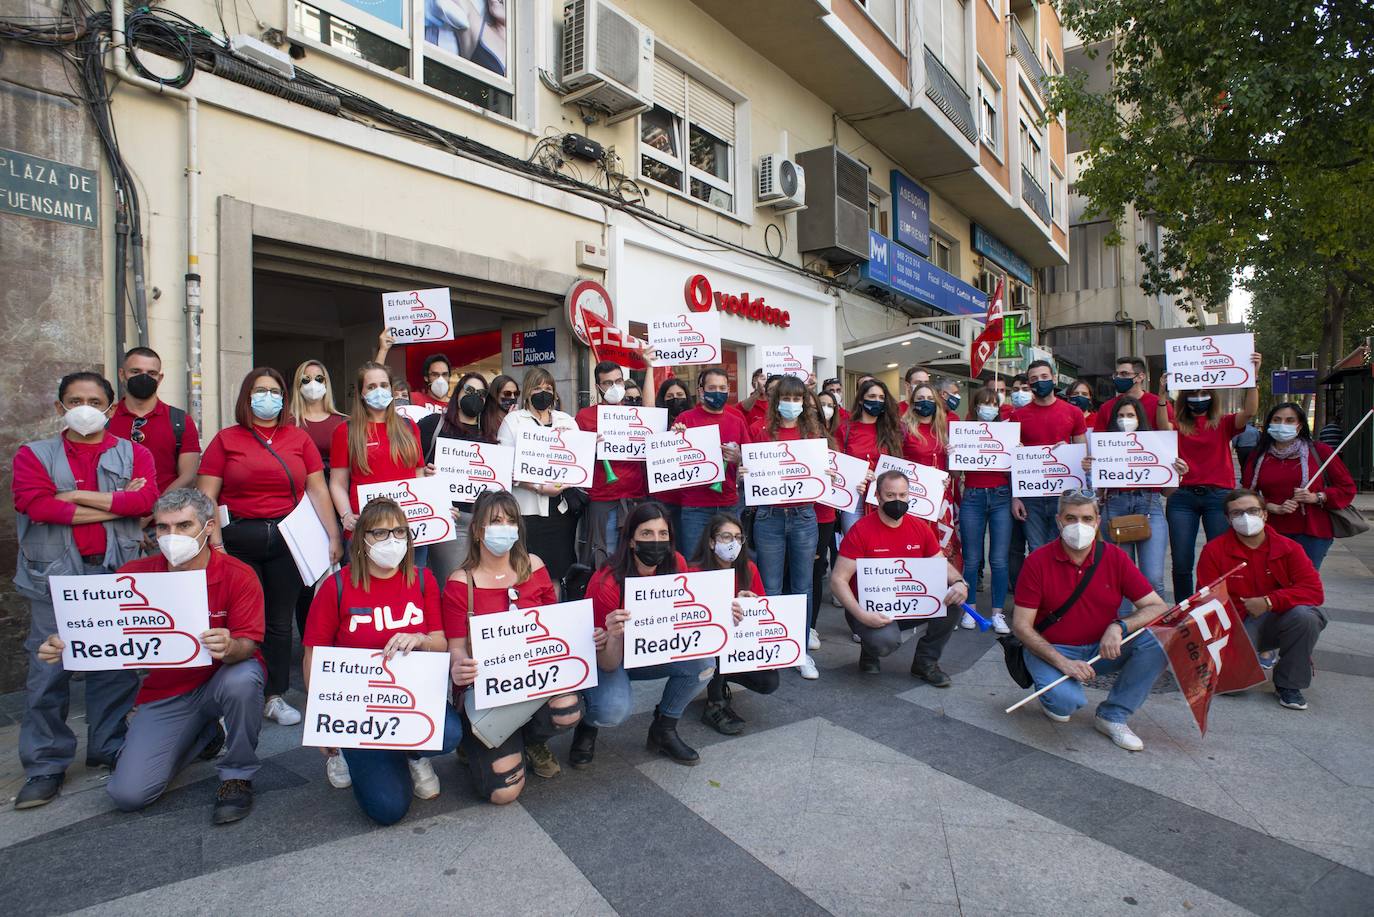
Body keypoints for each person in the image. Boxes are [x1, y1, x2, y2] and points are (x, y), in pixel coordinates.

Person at [36, 489, 265, 822]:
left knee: (244, 679)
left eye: (184, 526)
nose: (172, 537)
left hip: (222, 679)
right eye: (162, 528)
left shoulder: (238, 574)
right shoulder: (134, 575)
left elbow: (249, 645)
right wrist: (66, 644)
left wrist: (231, 647)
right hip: (167, 692)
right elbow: (103, 631)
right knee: (128, 794)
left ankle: (237, 776)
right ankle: (203, 736)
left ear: (208, 526)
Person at [11, 372, 159, 809]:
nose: (85, 406)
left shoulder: (134, 454)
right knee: (47, 672)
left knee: (114, 665)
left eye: (95, 400)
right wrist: (114, 506)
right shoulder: (33, 455)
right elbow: (37, 506)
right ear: (60, 407)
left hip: (115, 574)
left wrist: (72, 496)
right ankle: (45, 764)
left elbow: (144, 503)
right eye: (75, 399)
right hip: (54, 579)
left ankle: (109, 745)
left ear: (110, 409)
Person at [199, 367, 343, 727]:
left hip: (287, 541)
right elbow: (206, 497)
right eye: (260, 391)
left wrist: (333, 536)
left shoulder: (298, 439)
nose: (269, 397)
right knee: (240, 622)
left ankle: (273, 694)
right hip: (238, 542)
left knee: (280, 623)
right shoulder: (226, 440)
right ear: (247, 398)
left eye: (275, 390)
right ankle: (231, 695)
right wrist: (215, 545)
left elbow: (318, 489)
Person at [304, 498, 460, 825]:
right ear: (362, 539)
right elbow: (313, 655)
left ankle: (413, 752)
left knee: (449, 733)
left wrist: (419, 639)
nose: (392, 540)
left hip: (409, 697)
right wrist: (322, 719)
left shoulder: (422, 580)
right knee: (387, 809)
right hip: (358, 707)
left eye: (399, 532)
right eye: (381, 533)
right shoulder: (336, 587)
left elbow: (441, 642)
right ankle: (352, 751)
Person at [443, 491, 583, 799]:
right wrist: (459, 666)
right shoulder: (460, 582)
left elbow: (554, 627)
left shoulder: (534, 566)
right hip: (490, 692)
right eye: (495, 521)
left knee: (568, 710)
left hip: (534, 680)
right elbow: (455, 647)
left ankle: (531, 740)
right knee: (503, 793)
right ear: (478, 529)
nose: (504, 527)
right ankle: (476, 743)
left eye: (510, 520)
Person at [1011, 490, 1169, 751]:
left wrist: (1120, 626)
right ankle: (1053, 686)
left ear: (1097, 521)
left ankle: (1113, 715)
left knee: (1159, 640)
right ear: (1059, 520)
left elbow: (1157, 606)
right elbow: (1021, 626)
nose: (1078, 526)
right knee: (1064, 706)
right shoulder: (1037, 561)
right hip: (1053, 648)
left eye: (1086, 518)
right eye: (1071, 518)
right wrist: (1063, 663)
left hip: (1101, 648)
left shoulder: (1115, 557)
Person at [574, 502, 709, 767]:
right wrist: (614, 634)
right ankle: (588, 724)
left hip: (652, 649)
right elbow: (607, 662)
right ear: (632, 541)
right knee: (612, 710)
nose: (656, 541)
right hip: (610, 656)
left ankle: (664, 729)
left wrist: (734, 609)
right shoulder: (606, 583)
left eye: (663, 534)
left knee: (704, 665)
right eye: (647, 534)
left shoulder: (676, 564)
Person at [829, 470, 969, 683]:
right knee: (884, 642)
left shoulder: (920, 528)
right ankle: (870, 650)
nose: (897, 501)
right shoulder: (861, 530)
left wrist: (959, 582)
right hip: (868, 609)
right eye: (890, 495)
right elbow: (838, 579)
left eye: (903, 495)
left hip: (910, 603)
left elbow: (940, 563)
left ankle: (926, 663)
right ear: (877, 496)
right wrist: (861, 615)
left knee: (955, 602)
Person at [1196, 489, 1328, 710]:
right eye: (1237, 513)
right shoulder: (1214, 550)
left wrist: (1269, 601)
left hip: (1281, 619)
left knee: (1306, 616)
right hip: (1236, 624)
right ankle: (1241, 662)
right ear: (1228, 519)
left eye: (1253, 510)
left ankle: (1288, 685)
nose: (1246, 517)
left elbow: (1314, 591)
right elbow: (1206, 599)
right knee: (1233, 688)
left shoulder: (1289, 548)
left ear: (1265, 514)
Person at [1158, 352, 1261, 600]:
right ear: (1184, 399)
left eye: (1203, 393)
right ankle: (1184, 608)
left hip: (1219, 497)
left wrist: (1252, 376)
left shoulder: (1223, 423)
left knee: (1220, 556)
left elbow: (1249, 411)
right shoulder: (1178, 426)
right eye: (1192, 394)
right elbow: (1163, 426)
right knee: (1181, 561)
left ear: (1212, 397)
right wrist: (1162, 393)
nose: (1198, 398)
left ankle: (1218, 605)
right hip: (1182, 498)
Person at [747, 375, 825, 680]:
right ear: (775, 399)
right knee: (771, 585)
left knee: (803, 585)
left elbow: (822, 474)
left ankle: (800, 648)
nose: (791, 404)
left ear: (803, 402)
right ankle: (774, 643)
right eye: (786, 398)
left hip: (804, 515)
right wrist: (745, 470)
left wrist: (827, 473)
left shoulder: (813, 433)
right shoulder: (759, 431)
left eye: (797, 399)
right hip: (769, 516)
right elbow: (751, 472)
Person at [1085, 397, 1186, 601]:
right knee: (1120, 577)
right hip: (1114, 505)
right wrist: (1089, 472)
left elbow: (1167, 492)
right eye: (1121, 416)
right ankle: (1122, 628)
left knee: (1153, 577)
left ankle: (1156, 626)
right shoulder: (1103, 447)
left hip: (1149, 506)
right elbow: (1096, 493)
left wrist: (1178, 475)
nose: (1125, 420)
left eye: (1130, 415)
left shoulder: (1157, 446)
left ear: (1140, 419)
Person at [690, 513, 779, 733]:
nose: (733, 543)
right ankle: (715, 704)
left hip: (739, 644)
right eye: (726, 537)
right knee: (719, 640)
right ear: (711, 542)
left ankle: (720, 680)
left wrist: (753, 605)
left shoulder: (749, 569)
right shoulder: (694, 572)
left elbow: (762, 616)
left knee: (769, 680)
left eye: (738, 538)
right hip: (705, 646)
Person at [1242, 402, 1356, 570]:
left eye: (1289, 420)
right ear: (1269, 423)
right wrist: (1269, 506)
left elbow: (1347, 488)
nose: (1282, 424)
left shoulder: (1320, 451)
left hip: (1312, 530)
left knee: (1304, 581)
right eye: (1277, 419)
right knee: (1271, 579)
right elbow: (1245, 493)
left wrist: (1317, 497)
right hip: (1269, 529)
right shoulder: (1258, 454)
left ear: (1300, 425)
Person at [498, 367, 581, 581]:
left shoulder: (567, 421)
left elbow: (578, 462)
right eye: (537, 388)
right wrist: (537, 487)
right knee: (526, 571)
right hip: (526, 511)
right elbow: (504, 468)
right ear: (527, 391)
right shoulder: (513, 421)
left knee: (557, 570)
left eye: (548, 388)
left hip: (560, 512)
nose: (543, 392)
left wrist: (580, 444)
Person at [329, 362, 426, 537]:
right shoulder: (346, 431)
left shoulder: (409, 426)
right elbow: (337, 483)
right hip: (366, 529)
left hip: (409, 526)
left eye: (383, 385)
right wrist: (346, 515)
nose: (379, 391)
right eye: (371, 387)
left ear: (390, 389)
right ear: (361, 393)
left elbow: (418, 473)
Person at [288, 359, 349, 636]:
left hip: (338, 504)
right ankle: (309, 638)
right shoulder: (288, 424)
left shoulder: (343, 422)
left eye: (319, 378)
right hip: (300, 509)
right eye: (306, 379)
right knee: (306, 578)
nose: (314, 385)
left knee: (340, 574)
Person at [416, 371, 490, 585]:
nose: (475, 396)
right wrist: (423, 473)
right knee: (454, 585)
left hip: (481, 522)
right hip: (448, 520)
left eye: (481, 393)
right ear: (458, 394)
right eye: (470, 391)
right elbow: (410, 466)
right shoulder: (433, 425)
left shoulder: (488, 434)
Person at [576, 361, 648, 567]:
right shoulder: (584, 417)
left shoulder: (637, 413)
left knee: (637, 557)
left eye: (618, 381)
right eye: (607, 383)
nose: (614, 387)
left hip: (635, 496)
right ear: (598, 387)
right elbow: (575, 457)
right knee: (605, 556)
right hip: (603, 498)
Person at [675, 367, 751, 557]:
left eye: (722, 388)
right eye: (712, 387)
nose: (718, 392)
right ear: (701, 391)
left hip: (728, 504)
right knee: (694, 561)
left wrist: (739, 458)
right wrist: (677, 437)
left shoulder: (737, 421)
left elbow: (751, 460)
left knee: (728, 560)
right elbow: (672, 460)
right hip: (695, 506)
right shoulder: (685, 419)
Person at [1012, 360, 1086, 551]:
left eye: (1044, 377)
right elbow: (1011, 460)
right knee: (1036, 549)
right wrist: (1016, 497)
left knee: (1063, 546)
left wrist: (1068, 450)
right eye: (1034, 379)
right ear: (1029, 385)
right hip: (1031, 494)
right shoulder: (1018, 416)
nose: (1039, 382)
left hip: (1063, 493)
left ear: (1054, 378)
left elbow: (1082, 454)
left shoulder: (1073, 412)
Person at [108, 347, 201, 497]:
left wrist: (154, 509)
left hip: (162, 515)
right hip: (111, 512)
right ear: (122, 374)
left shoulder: (180, 421)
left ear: (160, 378)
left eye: (151, 373)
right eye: (135, 371)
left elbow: (188, 477)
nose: (144, 378)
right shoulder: (104, 419)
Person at [959, 389, 1013, 634]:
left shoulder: (1007, 431)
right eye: (983, 403)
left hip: (1001, 495)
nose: (988, 408)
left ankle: (997, 614)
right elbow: (954, 473)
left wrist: (1018, 451)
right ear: (976, 406)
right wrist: (953, 455)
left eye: (993, 404)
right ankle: (970, 611)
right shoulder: (963, 431)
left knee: (999, 560)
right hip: (972, 495)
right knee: (971, 559)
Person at [836, 378, 905, 533]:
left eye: (881, 398)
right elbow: (838, 464)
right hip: (855, 499)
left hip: (885, 499)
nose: (877, 401)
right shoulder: (845, 428)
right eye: (872, 397)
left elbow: (901, 465)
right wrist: (858, 473)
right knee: (856, 547)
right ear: (861, 400)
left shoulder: (892, 431)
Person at [812, 389, 843, 634]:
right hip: (796, 512)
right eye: (815, 406)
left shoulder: (835, 438)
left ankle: (809, 627)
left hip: (824, 514)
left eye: (827, 405)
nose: (822, 409)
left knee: (813, 571)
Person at [655, 376, 693, 536]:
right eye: (669, 396)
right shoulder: (656, 423)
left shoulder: (696, 420)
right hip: (664, 498)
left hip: (690, 499)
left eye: (679, 395)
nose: (675, 399)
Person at [1095, 356, 1174, 431]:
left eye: (1124, 374)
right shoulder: (1106, 407)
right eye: (1116, 374)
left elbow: (1168, 433)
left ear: (1140, 377)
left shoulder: (1160, 404)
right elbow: (1099, 439)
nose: (1118, 377)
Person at [901, 382, 948, 470]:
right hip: (913, 481)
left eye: (930, 398)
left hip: (941, 483)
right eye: (920, 398)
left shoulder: (943, 428)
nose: (926, 402)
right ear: (913, 403)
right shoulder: (903, 428)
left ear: (936, 403)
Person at [484, 373, 520, 442]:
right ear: (495, 394)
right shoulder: (485, 419)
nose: (512, 397)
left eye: (516, 394)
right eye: (507, 394)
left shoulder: (519, 418)